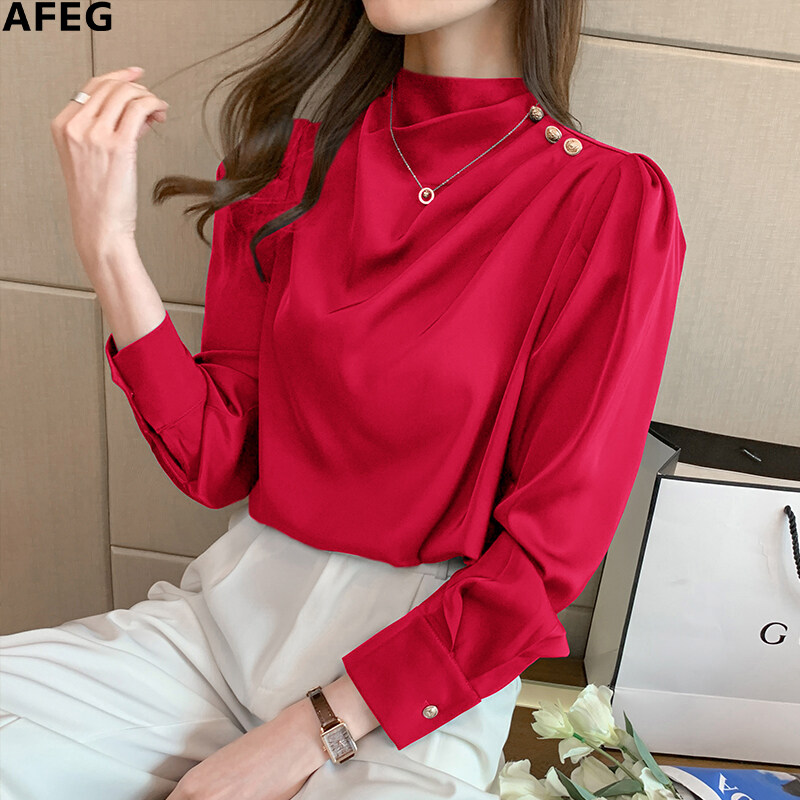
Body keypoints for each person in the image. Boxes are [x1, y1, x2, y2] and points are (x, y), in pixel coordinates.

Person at [0, 0, 687, 798]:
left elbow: (546, 557)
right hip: (221, 633)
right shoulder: (288, 166)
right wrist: (108, 248)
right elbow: (217, 461)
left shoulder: (606, 202)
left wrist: (313, 727)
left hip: (417, 683)